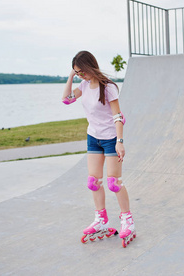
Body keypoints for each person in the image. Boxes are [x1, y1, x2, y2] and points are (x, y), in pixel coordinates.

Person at [62, 51, 135, 247]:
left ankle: (127, 220)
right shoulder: (83, 85)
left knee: (114, 183)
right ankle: (101, 220)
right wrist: (70, 76)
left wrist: (120, 141)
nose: (80, 75)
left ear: (89, 66)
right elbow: (66, 99)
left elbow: (117, 116)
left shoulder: (108, 87)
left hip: (111, 138)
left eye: (81, 71)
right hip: (93, 138)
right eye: (76, 73)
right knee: (93, 182)